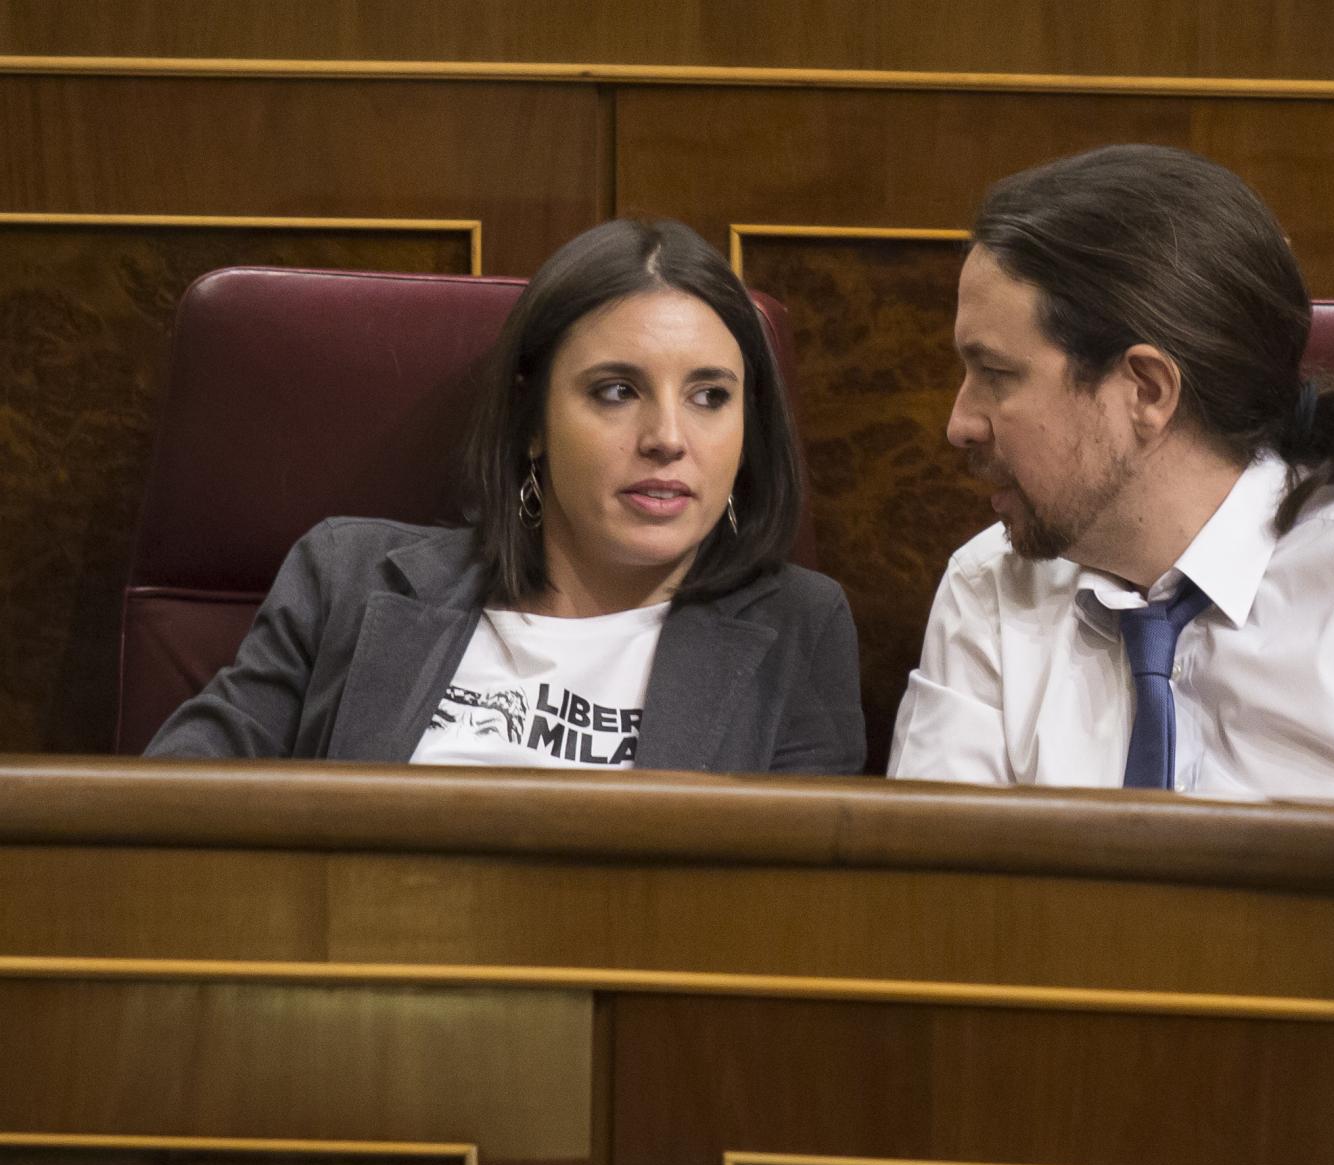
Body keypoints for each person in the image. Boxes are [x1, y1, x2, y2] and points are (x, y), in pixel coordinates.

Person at [887, 145, 1334, 1012]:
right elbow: (922, 919)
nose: (957, 421)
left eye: (997, 375)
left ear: (1146, 390)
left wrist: (1243, 980)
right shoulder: (989, 588)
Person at [149, 219, 865, 775]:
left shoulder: (800, 629)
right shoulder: (347, 578)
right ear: (533, 422)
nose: (668, 438)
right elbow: (174, 810)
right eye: (617, 391)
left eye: (711, 396)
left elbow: (791, 916)